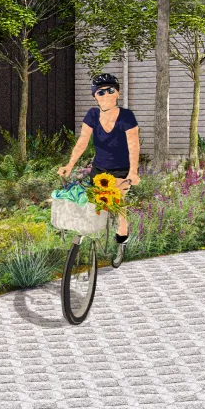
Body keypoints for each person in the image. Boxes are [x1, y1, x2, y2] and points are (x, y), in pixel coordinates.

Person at [59, 73, 140, 268]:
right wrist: (69, 165)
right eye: (101, 92)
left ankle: (121, 243)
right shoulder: (92, 115)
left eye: (111, 90)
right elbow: (82, 142)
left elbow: (134, 145)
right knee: (93, 204)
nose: (106, 95)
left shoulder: (127, 117)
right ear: (95, 96)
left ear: (117, 93)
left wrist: (133, 172)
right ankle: (89, 243)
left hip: (121, 171)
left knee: (118, 204)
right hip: (100, 169)